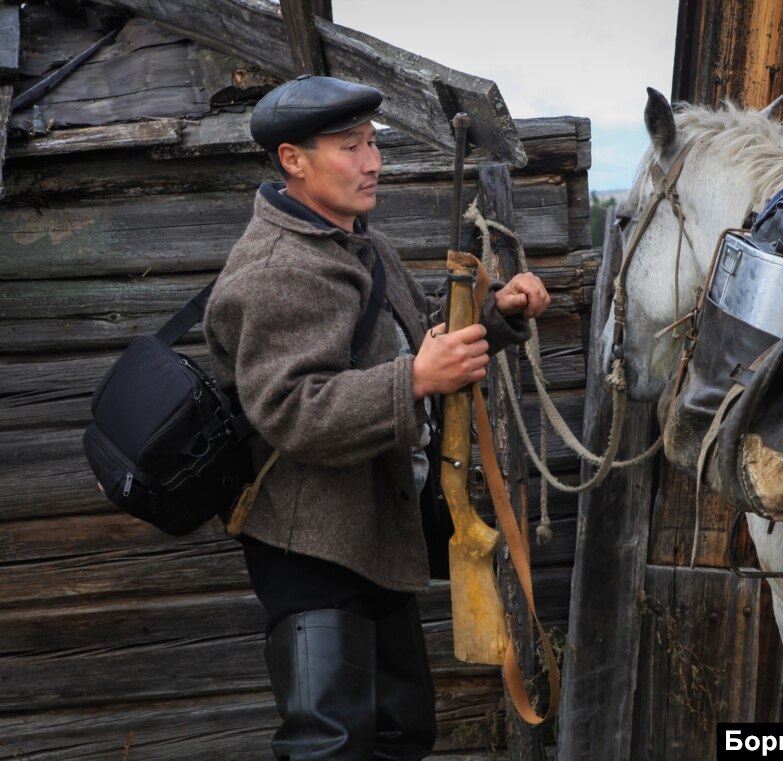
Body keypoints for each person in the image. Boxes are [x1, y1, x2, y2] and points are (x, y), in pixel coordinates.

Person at [204, 75, 550, 760]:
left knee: (398, 734)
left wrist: (496, 318)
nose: (371, 162)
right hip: (310, 544)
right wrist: (416, 379)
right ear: (292, 160)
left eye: (371, 143)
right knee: (329, 745)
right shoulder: (269, 270)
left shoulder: (365, 243)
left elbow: (417, 341)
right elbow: (293, 410)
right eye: (348, 146)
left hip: (378, 533)